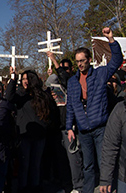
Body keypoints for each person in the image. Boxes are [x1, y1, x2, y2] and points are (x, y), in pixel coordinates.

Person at [66, 27, 123, 193]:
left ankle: (110, 189)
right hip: (83, 130)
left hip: (100, 127)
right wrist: (69, 127)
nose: (80, 64)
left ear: (89, 60)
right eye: (77, 61)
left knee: (105, 163)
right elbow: (71, 106)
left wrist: (111, 40)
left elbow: (117, 60)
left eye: (83, 60)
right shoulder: (72, 82)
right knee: (88, 165)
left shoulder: (100, 74)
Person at [6, 68, 59, 193]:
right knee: (24, 165)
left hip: (40, 136)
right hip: (25, 135)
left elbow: (50, 112)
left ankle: (35, 187)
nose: (25, 81)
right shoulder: (20, 95)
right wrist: (13, 79)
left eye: (27, 79)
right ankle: (23, 188)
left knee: (35, 164)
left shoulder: (42, 95)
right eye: (23, 79)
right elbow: (8, 97)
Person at [47, 51, 84, 193]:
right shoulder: (55, 86)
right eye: (61, 68)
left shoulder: (73, 83)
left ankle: (78, 186)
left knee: (74, 158)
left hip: (70, 126)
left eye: (66, 68)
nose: (63, 70)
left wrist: (54, 60)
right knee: (61, 159)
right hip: (57, 127)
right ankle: (66, 184)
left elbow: (64, 77)